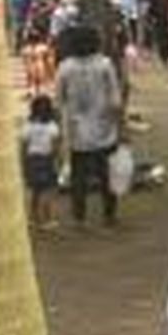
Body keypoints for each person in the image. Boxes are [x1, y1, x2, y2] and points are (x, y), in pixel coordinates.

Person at [55, 26, 122, 227]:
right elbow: (115, 99)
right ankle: (109, 215)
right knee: (107, 175)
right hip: (105, 128)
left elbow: (58, 100)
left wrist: (60, 127)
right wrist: (121, 123)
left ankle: (79, 217)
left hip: (77, 131)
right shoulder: (105, 64)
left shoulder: (65, 67)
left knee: (79, 177)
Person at [23, 94, 61, 230]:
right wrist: (57, 162)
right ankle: (47, 220)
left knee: (35, 191)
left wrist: (24, 162)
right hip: (47, 159)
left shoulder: (29, 124)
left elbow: (25, 144)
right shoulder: (52, 126)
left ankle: (33, 219)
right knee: (47, 191)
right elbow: (56, 146)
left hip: (32, 159)